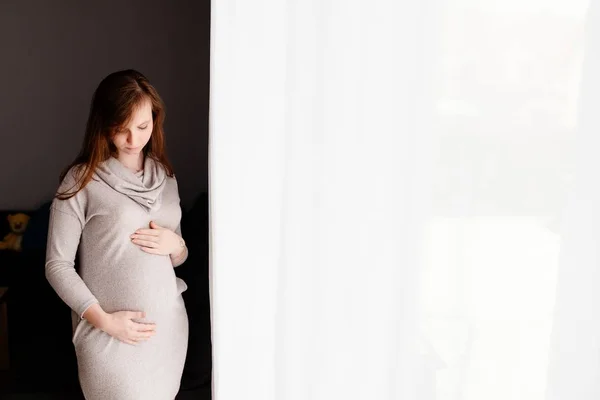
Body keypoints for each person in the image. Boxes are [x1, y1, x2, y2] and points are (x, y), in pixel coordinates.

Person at [45, 69, 189, 399]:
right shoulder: (81, 180)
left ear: (155, 119)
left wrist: (176, 244)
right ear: (103, 124)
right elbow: (57, 265)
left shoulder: (166, 177)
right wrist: (105, 321)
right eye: (121, 129)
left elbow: (177, 258)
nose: (133, 139)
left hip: (166, 333)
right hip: (108, 336)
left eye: (142, 127)